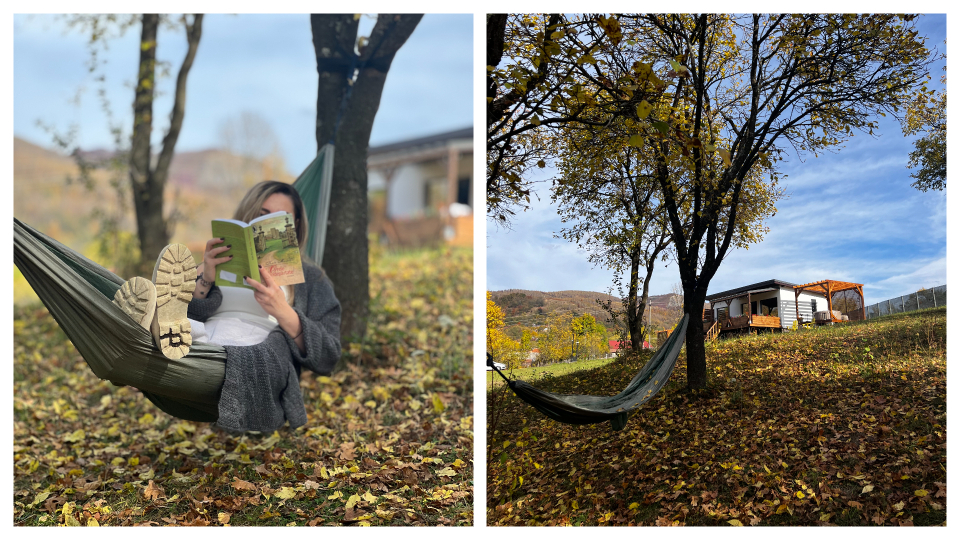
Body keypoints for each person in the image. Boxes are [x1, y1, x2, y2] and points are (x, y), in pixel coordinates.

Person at [113, 181, 341, 432]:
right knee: (186, 326)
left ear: (295, 225)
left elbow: (328, 355)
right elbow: (188, 309)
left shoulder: (311, 279)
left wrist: (283, 310)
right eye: (262, 215)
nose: (268, 223)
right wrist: (206, 275)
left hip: (261, 348)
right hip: (205, 340)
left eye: (280, 218)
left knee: (211, 349)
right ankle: (146, 335)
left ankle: (143, 350)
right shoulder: (219, 260)